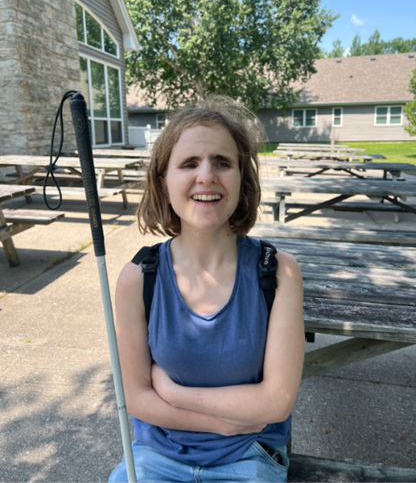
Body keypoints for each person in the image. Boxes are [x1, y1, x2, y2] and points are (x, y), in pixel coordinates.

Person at [109, 96, 304, 483]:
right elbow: (137, 398)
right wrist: (224, 423)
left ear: (241, 180)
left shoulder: (279, 272)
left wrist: (175, 393)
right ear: (163, 183)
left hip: (250, 457)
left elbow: (276, 402)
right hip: (156, 458)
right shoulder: (137, 279)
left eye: (222, 162)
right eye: (188, 163)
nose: (206, 176)